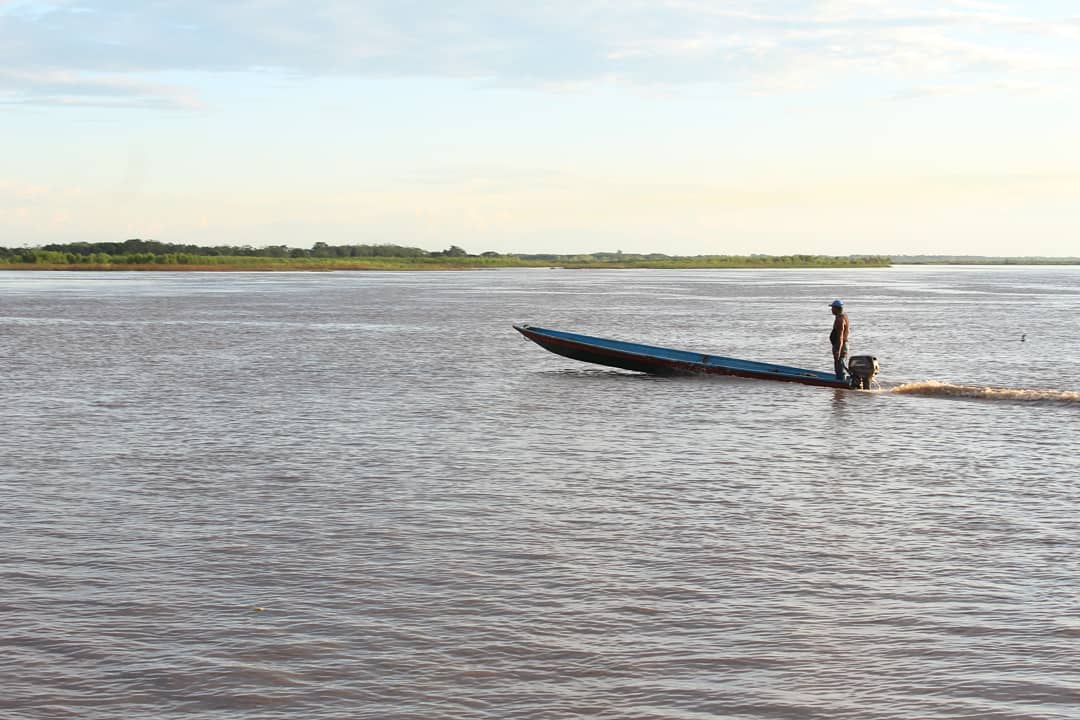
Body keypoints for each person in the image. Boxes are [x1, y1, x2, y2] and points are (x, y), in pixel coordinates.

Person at [829, 299, 849, 381]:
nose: (831, 309)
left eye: (832, 308)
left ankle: (841, 384)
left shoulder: (840, 320)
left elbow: (840, 337)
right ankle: (840, 384)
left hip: (841, 346)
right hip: (841, 345)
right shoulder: (843, 316)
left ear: (836, 308)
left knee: (840, 368)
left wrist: (838, 350)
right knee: (839, 366)